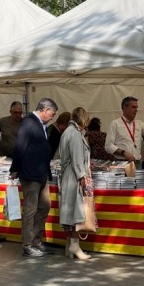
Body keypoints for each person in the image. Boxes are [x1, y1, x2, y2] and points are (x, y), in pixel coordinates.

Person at [10, 98, 58, 257]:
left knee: (44, 206)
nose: (52, 117)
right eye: (52, 114)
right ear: (45, 110)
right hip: (31, 174)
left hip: (41, 173)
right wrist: (15, 168)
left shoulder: (39, 124)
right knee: (31, 209)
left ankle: (37, 241)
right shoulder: (28, 123)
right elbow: (20, 146)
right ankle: (28, 245)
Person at [58, 107, 93, 261]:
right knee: (76, 212)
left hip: (68, 176)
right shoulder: (75, 135)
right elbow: (78, 159)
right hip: (74, 177)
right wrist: (82, 178)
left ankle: (70, 245)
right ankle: (74, 245)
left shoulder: (68, 132)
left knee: (71, 211)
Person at [106, 96, 144, 167]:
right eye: (133, 107)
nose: (136, 110)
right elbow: (108, 146)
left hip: (137, 162)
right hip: (122, 163)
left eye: (137, 107)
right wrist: (123, 153)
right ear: (124, 108)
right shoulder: (115, 124)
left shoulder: (139, 124)